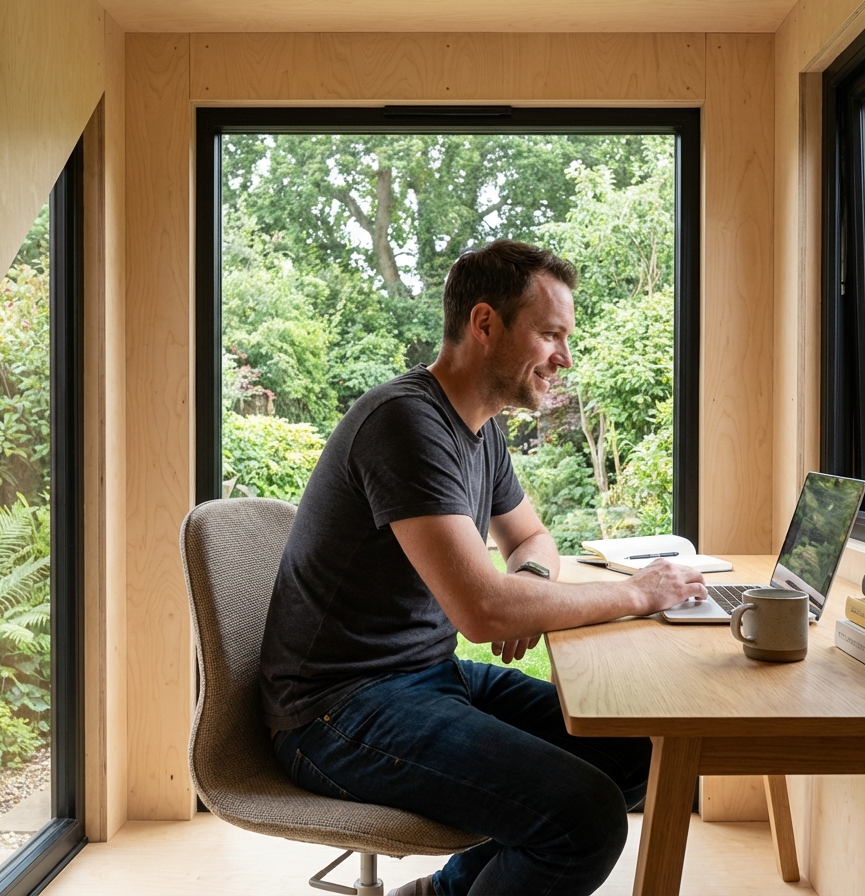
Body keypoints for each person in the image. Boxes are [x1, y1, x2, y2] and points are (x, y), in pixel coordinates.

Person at [259, 239, 705, 896]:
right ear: (486, 324)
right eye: (550, 333)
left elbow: (531, 537)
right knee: (582, 816)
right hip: (335, 711)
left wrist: (527, 583)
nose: (564, 357)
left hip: (424, 676)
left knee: (641, 753)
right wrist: (639, 593)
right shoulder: (406, 423)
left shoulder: (481, 427)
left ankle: (443, 893)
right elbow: (481, 613)